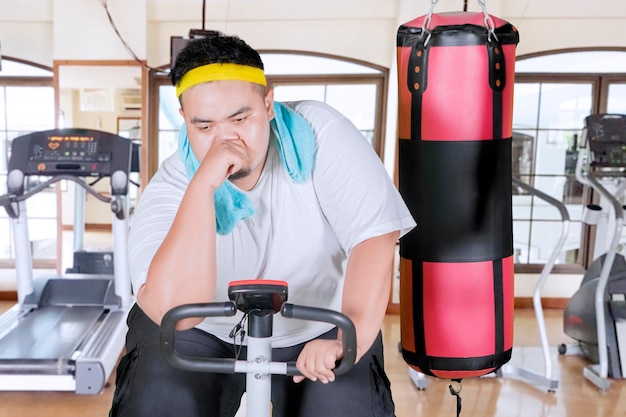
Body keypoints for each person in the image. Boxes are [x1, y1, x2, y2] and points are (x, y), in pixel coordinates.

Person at [108, 32, 416, 417]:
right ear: (185, 121)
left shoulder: (321, 133)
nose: (227, 140)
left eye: (240, 118)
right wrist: (203, 186)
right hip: (207, 332)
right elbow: (177, 312)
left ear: (268, 103)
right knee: (158, 403)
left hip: (320, 322)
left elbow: (374, 237)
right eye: (205, 127)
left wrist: (344, 338)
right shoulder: (172, 184)